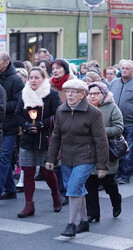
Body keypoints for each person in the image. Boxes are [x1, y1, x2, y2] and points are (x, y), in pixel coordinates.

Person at [46, 79, 109, 237]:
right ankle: (84, 221)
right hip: (67, 157)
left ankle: (70, 225)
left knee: (74, 188)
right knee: (76, 189)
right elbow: (56, 137)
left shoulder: (94, 113)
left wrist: (102, 165)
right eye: (67, 91)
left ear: (82, 94)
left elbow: (101, 140)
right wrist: (51, 159)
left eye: (74, 92)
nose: (70, 95)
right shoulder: (61, 110)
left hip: (86, 157)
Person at [15, 67, 62, 217]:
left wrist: (42, 124)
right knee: (28, 172)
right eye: (31, 77)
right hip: (28, 139)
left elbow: (59, 114)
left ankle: (56, 195)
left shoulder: (52, 94)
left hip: (46, 139)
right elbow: (17, 114)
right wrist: (27, 125)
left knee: (47, 172)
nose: (33, 80)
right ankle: (29, 205)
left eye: (37, 77)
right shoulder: (24, 94)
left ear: (43, 78)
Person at [86, 82, 123, 222]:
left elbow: (119, 127)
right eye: (90, 93)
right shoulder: (85, 108)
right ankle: (93, 213)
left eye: (96, 93)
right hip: (88, 151)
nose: (93, 96)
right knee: (90, 183)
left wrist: (100, 132)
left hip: (107, 150)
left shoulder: (112, 107)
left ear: (104, 94)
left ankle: (116, 200)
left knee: (108, 182)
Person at [110, 60, 133, 184]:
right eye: (123, 68)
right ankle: (117, 173)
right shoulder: (114, 83)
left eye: (127, 68)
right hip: (116, 123)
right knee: (117, 150)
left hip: (131, 124)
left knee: (129, 151)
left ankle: (126, 175)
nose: (124, 70)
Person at [50, 59, 75, 205]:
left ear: (65, 69)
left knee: (67, 158)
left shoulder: (73, 83)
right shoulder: (50, 84)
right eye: (53, 68)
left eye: (58, 68)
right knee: (57, 158)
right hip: (53, 124)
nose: (55, 70)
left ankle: (70, 190)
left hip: (70, 124)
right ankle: (62, 190)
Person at [0, 51, 24, 200]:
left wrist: (1, 105)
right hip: (3, 126)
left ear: (6, 63)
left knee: (2, 158)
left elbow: (18, 103)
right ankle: (10, 188)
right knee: (5, 159)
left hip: (9, 126)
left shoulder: (15, 80)